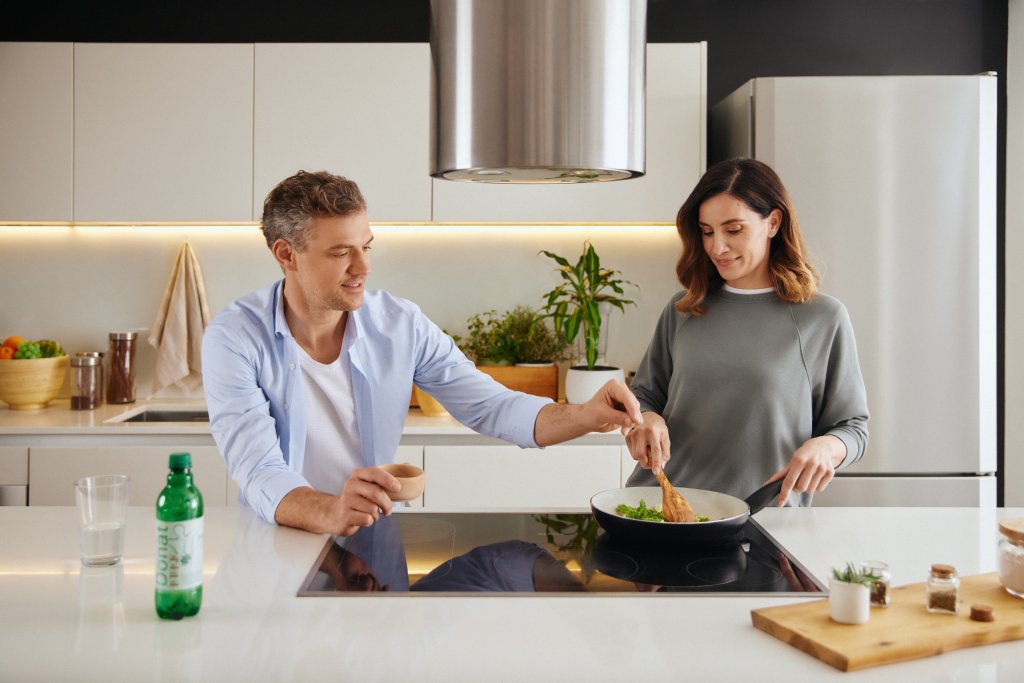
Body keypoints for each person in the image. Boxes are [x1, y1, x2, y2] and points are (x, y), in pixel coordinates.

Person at [202, 170, 642, 536]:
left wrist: (586, 414)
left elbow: (492, 406)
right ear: (286, 254)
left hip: (371, 535)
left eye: (366, 247)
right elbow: (259, 469)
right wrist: (330, 511)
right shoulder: (235, 338)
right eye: (341, 253)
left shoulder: (399, 324)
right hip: (277, 540)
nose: (364, 267)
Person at [624, 158, 868, 507]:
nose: (717, 247)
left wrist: (828, 447)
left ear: (773, 222)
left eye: (733, 230)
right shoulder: (683, 309)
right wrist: (645, 420)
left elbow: (853, 426)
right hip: (661, 510)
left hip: (760, 520)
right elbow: (645, 395)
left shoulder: (821, 318)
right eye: (707, 231)